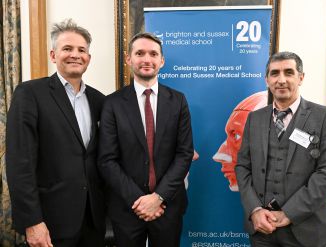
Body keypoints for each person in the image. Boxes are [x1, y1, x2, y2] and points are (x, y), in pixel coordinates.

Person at [6, 19, 106, 247]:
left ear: (88, 58)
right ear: (53, 55)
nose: (75, 55)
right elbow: (19, 163)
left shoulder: (100, 101)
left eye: (82, 50)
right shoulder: (30, 94)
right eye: (67, 49)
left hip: (93, 221)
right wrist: (33, 221)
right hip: (50, 223)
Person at [235, 51, 326, 247]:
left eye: (289, 72)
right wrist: (255, 210)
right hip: (262, 230)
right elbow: (242, 167)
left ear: (301, 77)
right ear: (267, 80)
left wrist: (288, 214)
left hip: (307, 230)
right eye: (274, 73)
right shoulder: (254, 118)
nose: (281, 80)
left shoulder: (324, 116)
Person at [98, 32, 193, 247]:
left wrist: (158, 197)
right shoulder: (112, 104)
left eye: (153, 53)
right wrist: (139, 201)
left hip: (168, 205)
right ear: (129, 58)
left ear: (162, 60)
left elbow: (184, 153)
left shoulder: (178, 101)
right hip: (127, 207)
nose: (146, 59)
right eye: (139, 53)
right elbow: (107, 160)